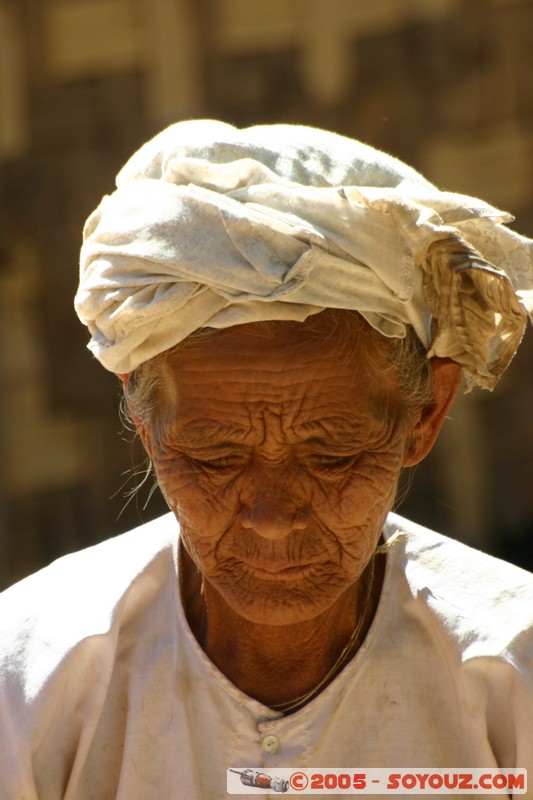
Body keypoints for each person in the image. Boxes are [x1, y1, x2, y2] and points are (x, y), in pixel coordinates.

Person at [1, 120, 533, 800]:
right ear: (144, 419)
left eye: (331, 455)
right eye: (217, 456)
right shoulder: (28, 681)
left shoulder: (510, 670)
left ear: (424, 413)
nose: (272, 518)